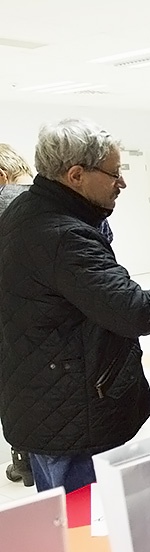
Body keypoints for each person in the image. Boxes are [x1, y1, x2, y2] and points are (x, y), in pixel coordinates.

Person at [0, 118, 150, 493]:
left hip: (42, 396)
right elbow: (134, 310)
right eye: (114, 173)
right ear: (76, 175)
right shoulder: (64, 235)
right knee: (91, 530)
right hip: (72, 411)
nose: (123, 182)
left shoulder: (25, 212)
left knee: (68, 524)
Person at [0, 143, 35, 487]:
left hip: (10, 321)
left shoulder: (5, 207)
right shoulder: (63, 202)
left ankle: (24, 460)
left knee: (13, 390)